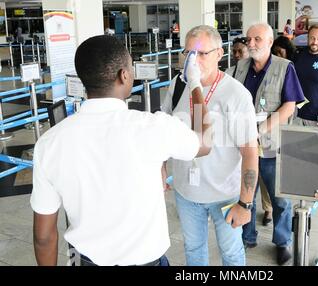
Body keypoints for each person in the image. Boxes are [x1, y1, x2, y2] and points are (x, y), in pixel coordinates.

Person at [30, 35, 212, 266]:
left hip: (85, 261)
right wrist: (195, 84)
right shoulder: (153, 127)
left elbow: (43, 237)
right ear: (123, 75)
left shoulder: (49, 143)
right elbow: (205, 141)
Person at [162, 25, 259, 266]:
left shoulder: (236, 94)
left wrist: (245, 204)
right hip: (187, 192)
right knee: (194, 250)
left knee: (231, 253)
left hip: (225, 194)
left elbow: (250, 152)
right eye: (188, 53)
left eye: (201, 53)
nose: (193, 60)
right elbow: (163, 127)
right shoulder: (178, 85)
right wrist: (161, 165)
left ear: (219, 53)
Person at [233, 23, 305, 265]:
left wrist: (260, 129)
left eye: (257, 39)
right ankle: (248, 235)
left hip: (272, 144)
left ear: (270, 42)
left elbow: (289, 105)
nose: (250, 43)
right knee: (246, 193)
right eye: (248, 39)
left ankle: (282, 242)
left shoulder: (285, 67)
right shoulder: (240, 67)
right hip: (244, 146)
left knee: (280, 199)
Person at [226, 37, 274, 227]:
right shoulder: (230, 74)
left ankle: (269, 210)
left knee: (266, 181)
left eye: (241, 52)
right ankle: (248, 232)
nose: (237, 55)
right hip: (240, 138)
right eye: (234, 52)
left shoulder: (268, 71)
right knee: (246, 185)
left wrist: (261, 129)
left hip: (264, 135)